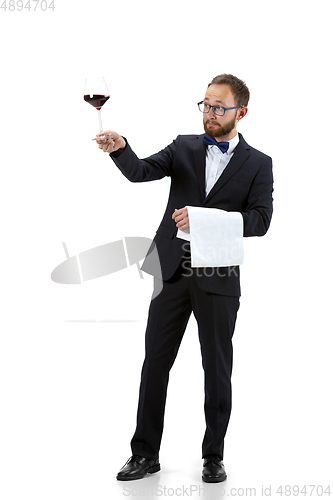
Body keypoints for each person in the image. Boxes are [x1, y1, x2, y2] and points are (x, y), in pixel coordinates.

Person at [96, 74, 273, 483]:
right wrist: (121, 149)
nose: (210, 113)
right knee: (154, 363)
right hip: (171, 270)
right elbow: (140, 171)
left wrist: (205, 220)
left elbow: (261, 221)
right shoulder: (184, 146)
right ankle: (144, 454)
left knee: (217, 368)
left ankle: (213, 456)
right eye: (206, 104)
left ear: (241, 112)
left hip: (219, 276)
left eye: (219, 107)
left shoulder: (259, 163)